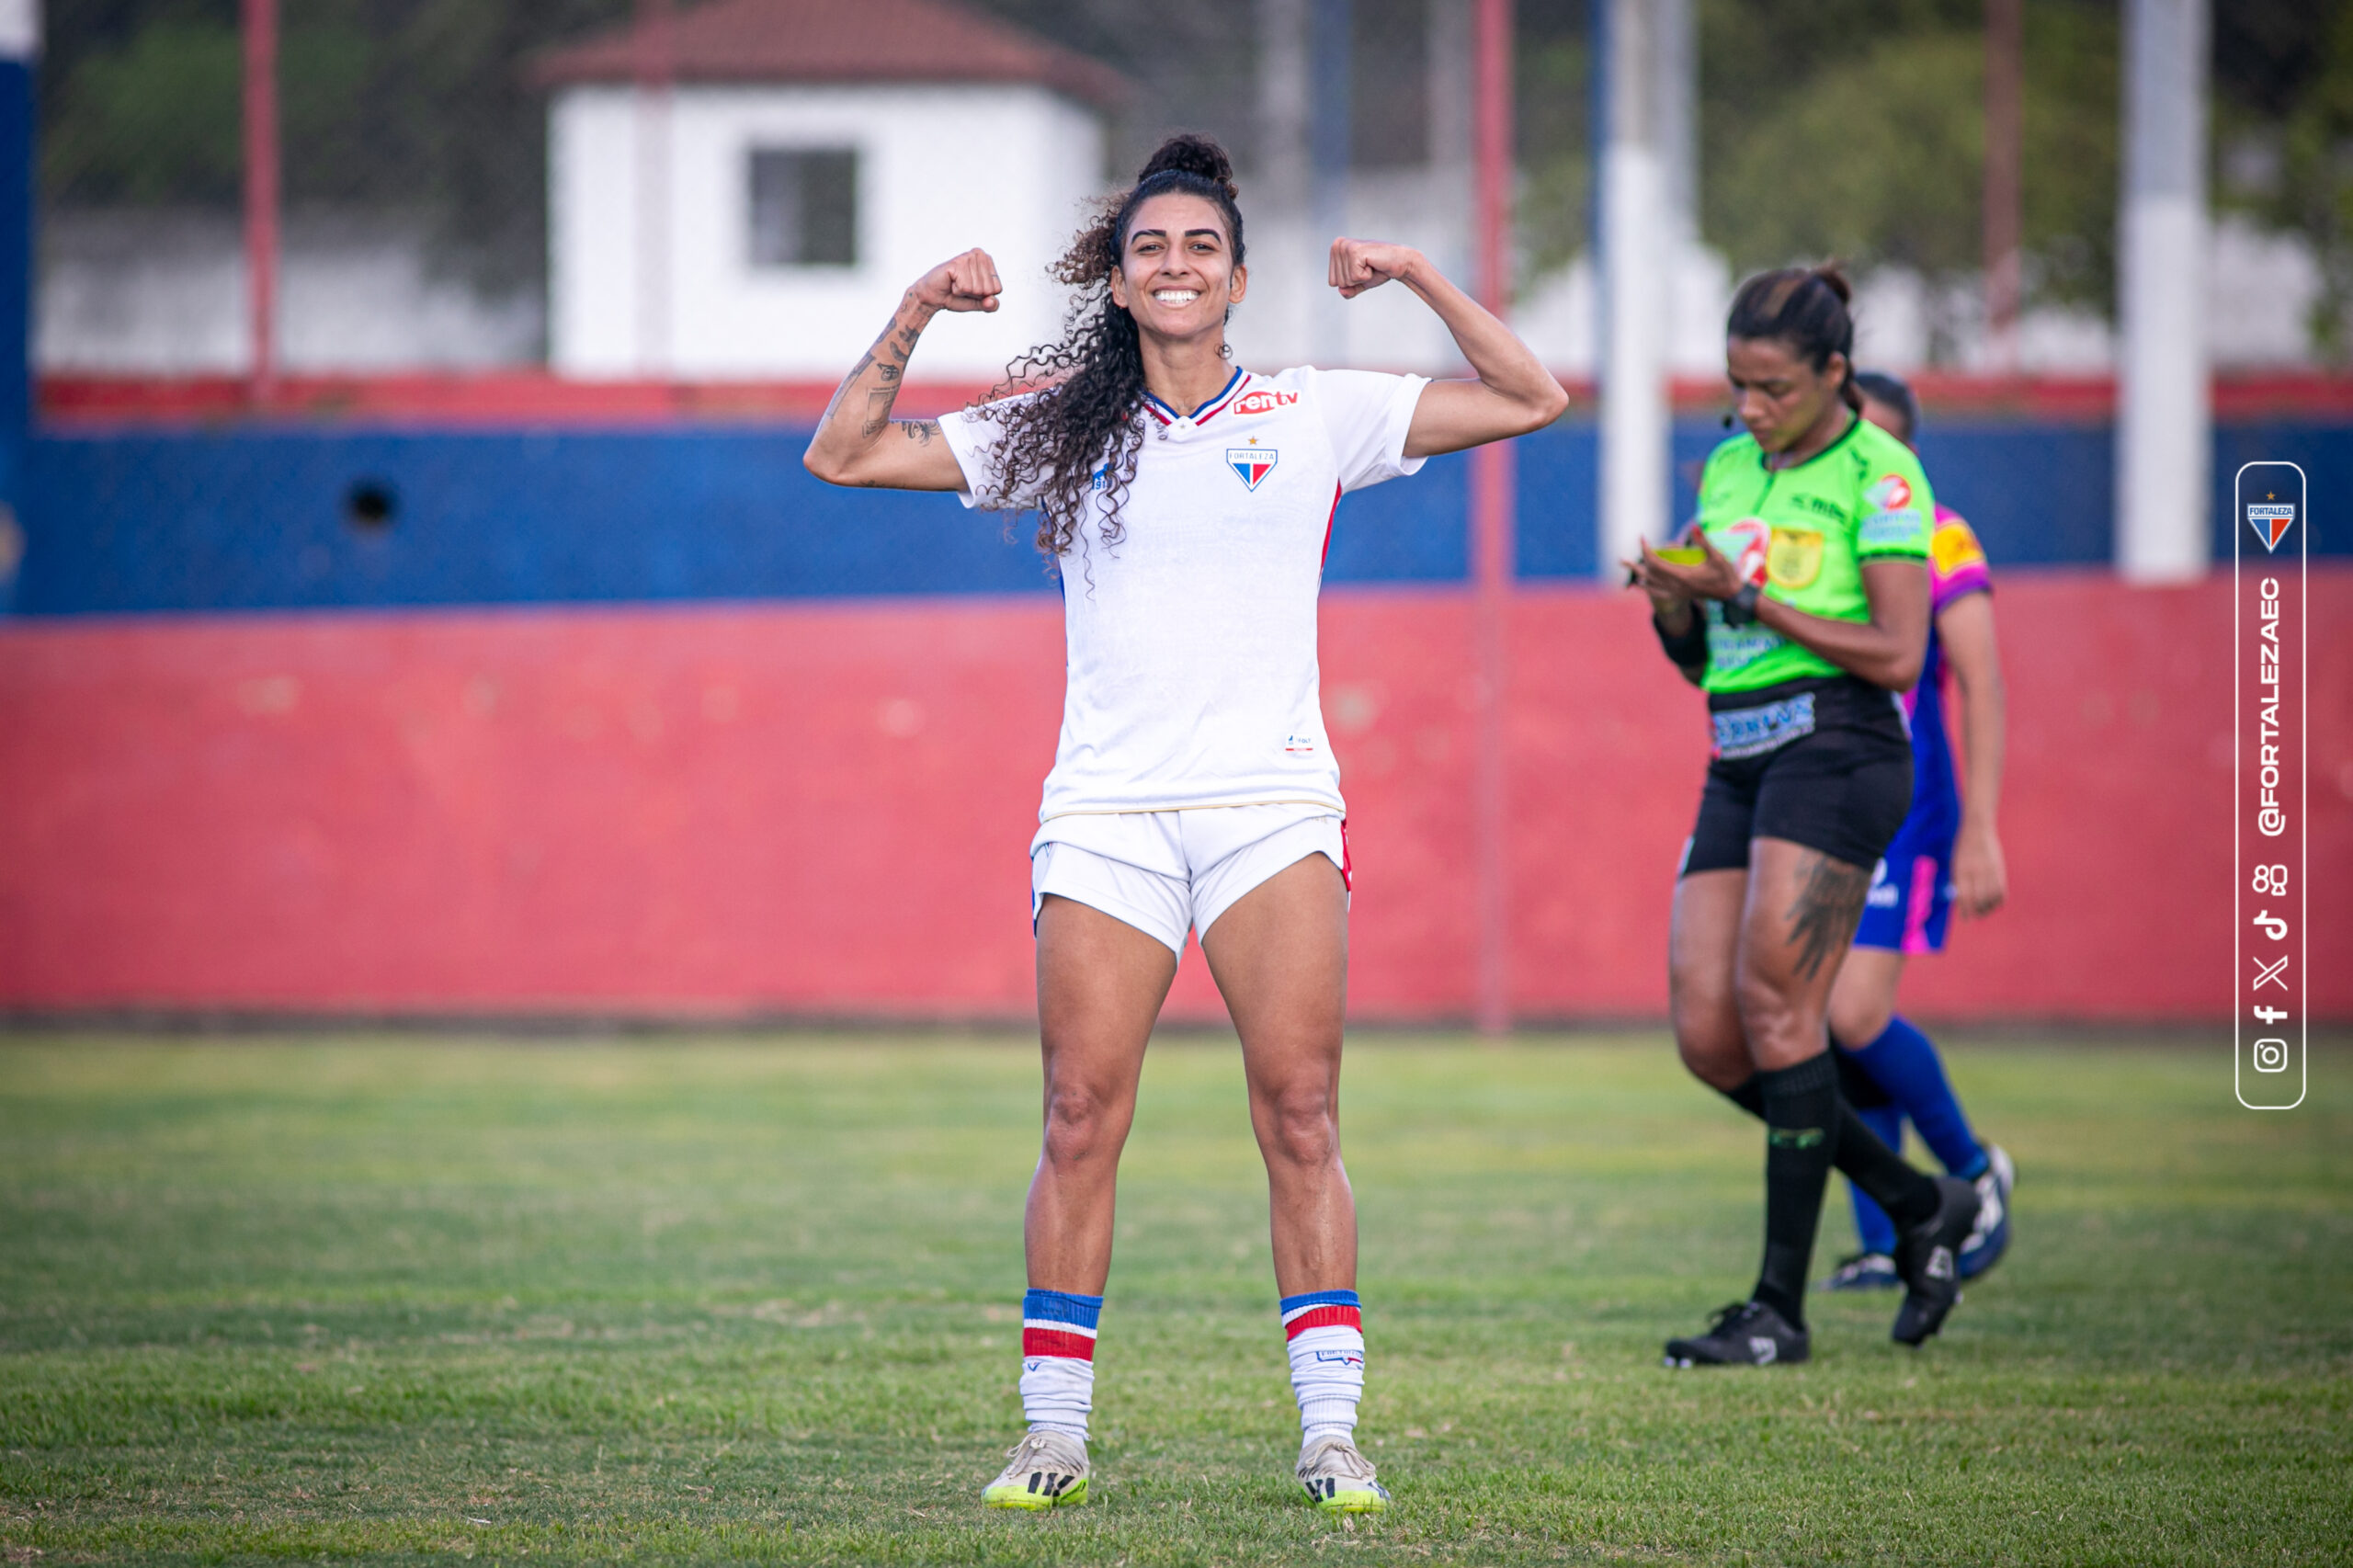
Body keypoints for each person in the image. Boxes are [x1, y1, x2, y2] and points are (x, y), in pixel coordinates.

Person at [802, 134, 1567, 1509]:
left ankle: (1332, 1433)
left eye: (1199, 248)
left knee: (1302, 1111)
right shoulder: (1055, 426)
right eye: (1148, 247)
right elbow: (844, 451)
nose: (1174, 266)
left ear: (1237, 277)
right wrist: (916, 309)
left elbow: (1531, 392)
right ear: (1115, 275)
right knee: (1080, 1114)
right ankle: (1054, 1432)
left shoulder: (1311, 409)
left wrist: (1415, 275)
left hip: (1273, 806)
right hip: (1105, 813)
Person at [1623, 266, 1980, 1369]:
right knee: (1708, 1033)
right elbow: (1700, 666)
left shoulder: (1882, 476)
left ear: (1834, 374)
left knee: (1782, 1011)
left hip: (1839, 747)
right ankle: (1922, 1200)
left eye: (1772, 386)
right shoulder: (1729, 466)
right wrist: (1676, 604)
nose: (1750, 409)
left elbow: (1901, 653)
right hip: (1735, 753)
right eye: (1735, 385)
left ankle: (1777, 1309)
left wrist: (1749, 597)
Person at [1821, 369, 2016, 1292]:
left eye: (1880, 439)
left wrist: (1979, 828)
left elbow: (1977, 680)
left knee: (1853, 1010)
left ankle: (1973, 1173)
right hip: (1823, 796)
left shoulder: (1936, 532)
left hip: (1907, 806)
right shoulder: (1816, 528)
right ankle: (1888, 1235)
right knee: (1827, 1022)